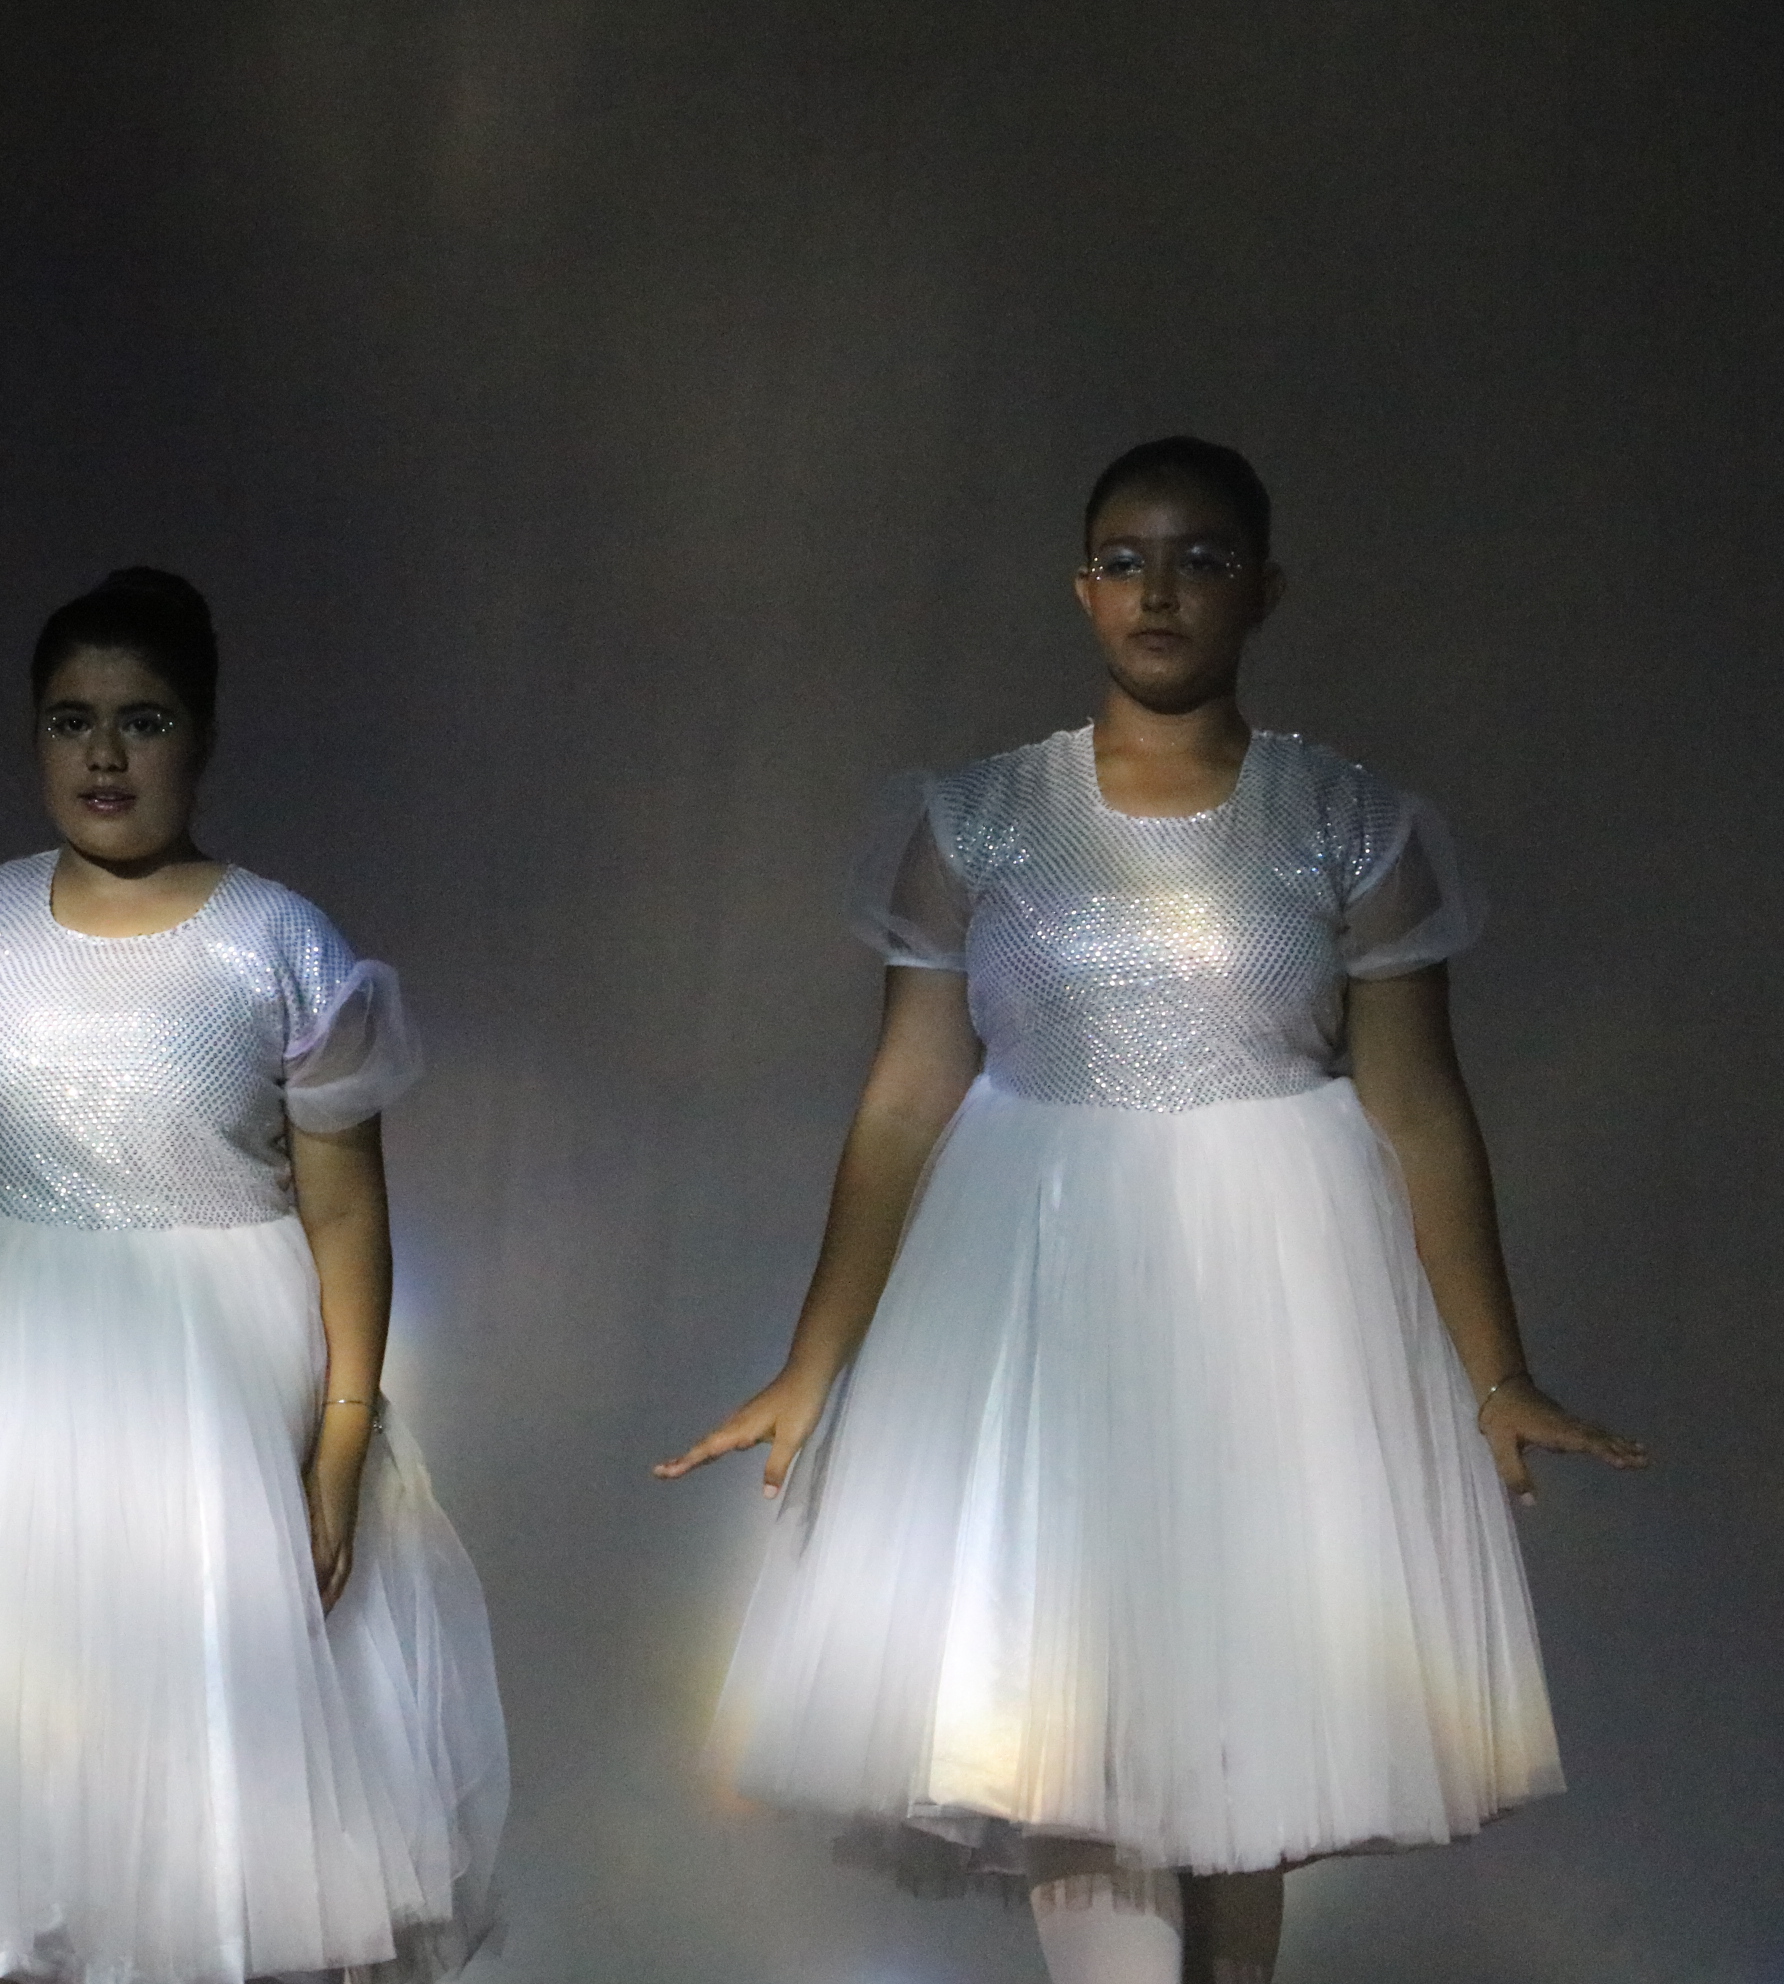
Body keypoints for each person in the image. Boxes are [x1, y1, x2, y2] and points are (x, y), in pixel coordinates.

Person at [657, 440, 1647, 1983]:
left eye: (1199, 559)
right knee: (1063, 1712)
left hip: (1273, 1295)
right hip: (1040, 1285)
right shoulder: (983, 819)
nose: (1159, 591)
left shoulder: (1346, 822)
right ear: (1082, 589)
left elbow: (1417, 1106)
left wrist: (1495, 1371)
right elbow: (906, 1098)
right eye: (1124, 560)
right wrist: (815, 1359)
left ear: (1264, 590)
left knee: (1240, 1717)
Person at [0, 568, 507, 1983]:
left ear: (201, 735)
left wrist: (337, 1446)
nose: (103, 753)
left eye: (142, 720)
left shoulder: (277, 941)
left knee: (181, 1772)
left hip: (199, 1412)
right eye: (71, 720)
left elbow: (345, 1214)